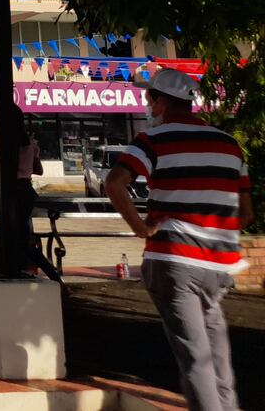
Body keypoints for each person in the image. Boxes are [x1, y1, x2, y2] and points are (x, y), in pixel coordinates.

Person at [106, 68, 253, 411]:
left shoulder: (152, 140)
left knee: (195, 358)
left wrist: (141, 229)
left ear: (159, 102)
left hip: (174, 260)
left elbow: (115, 183)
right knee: (216, 353)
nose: (147, 105)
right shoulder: (230, 146)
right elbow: (246, 214)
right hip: (219, 266)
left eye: (149, 99)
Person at [16, 124, 61, 282]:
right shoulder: (31, 145)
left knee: (20, 238)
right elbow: (39, 170)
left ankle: (53, 277)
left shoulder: (8, 144)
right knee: (24, 235)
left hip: (16, 190)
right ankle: (54, 278)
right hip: (27, 189)